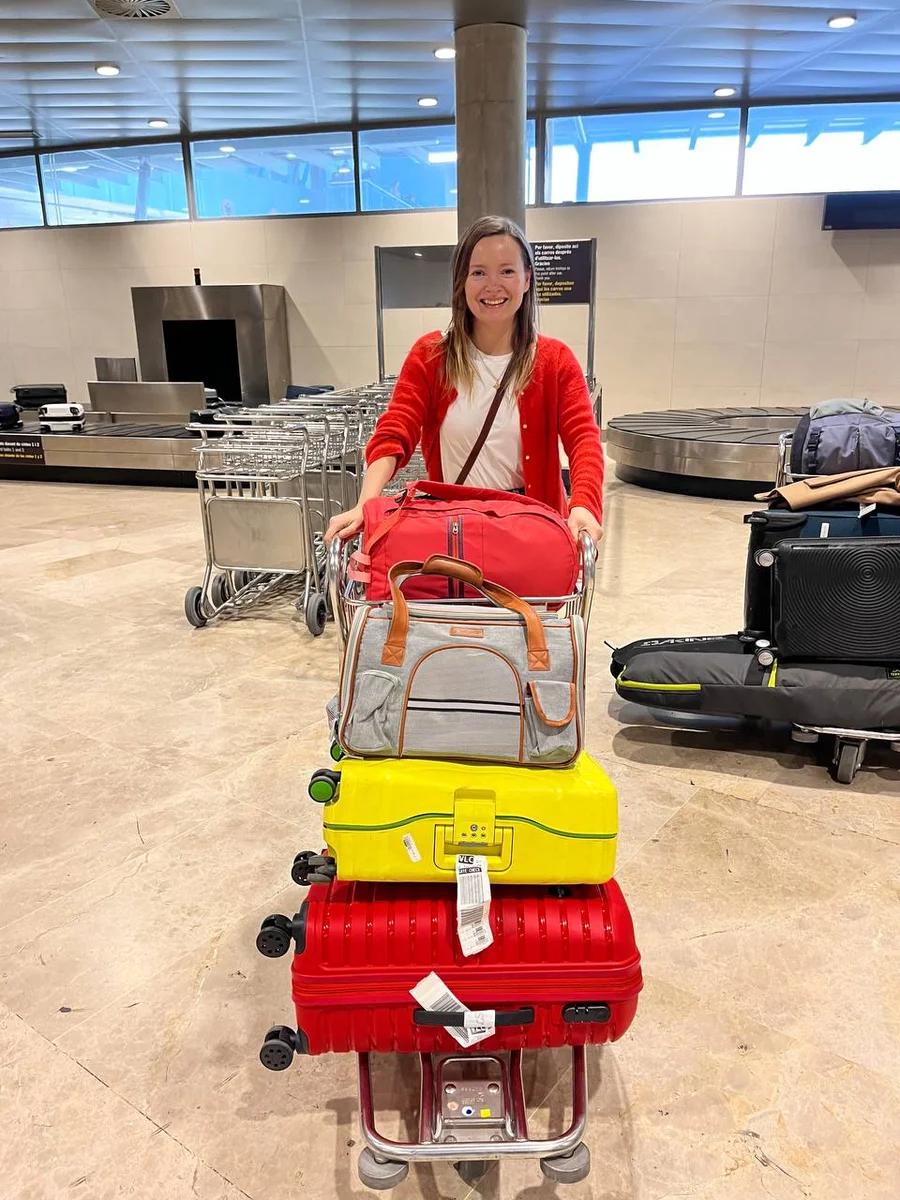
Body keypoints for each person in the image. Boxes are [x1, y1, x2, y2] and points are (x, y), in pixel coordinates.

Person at [325, 214, 604, 546]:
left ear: (527, 279)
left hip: (531, 535)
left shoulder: (554, 361)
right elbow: (396, 430)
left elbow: (584, 441)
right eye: (478, 272)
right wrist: (366, 503)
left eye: (507, 270)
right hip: (454, 533)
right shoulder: (431, 357)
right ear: (462, 281)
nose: (493, 285)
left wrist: (584, 505)